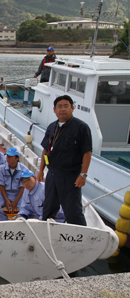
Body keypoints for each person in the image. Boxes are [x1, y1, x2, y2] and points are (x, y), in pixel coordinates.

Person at [39, 95, 92, 226]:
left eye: (66, 106)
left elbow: (87, 152)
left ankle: (80, 236)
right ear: (54, 109)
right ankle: (46, 232)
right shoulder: (52, 127)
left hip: (70, 176)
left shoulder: (81, 127)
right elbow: (45, 149)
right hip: (52, 174)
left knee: (72, 210)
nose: (63, 109)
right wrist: (41, 170)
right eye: (59, 107)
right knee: (48, 207)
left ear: (72, 108)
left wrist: (83, 175)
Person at [0, 147, 28, 221]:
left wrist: (15, 202)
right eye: (7, 156)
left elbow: (22, 188)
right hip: (5, 194)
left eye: (10, 156)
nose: (8, 158)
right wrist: (6, 200)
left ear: (17, 158)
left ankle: (21, 221)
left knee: (25, 207)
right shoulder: (1, 168)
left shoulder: (24, 169)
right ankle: (4, 220)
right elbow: (1, 185)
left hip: (19, 195)